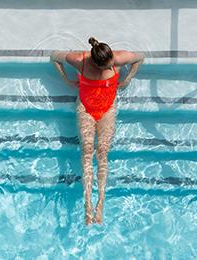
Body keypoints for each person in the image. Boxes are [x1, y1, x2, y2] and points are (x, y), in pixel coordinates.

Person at [50, 37, 145, 225]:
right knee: (86, 151)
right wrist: (67, 80)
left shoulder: (118, 58)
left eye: (112, 65)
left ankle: (100, 201)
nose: (111, 69)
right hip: (86, 108)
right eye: (107, 67)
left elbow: (140, 58)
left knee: (102, 152)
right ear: (95, 62)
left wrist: (127, 79)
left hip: (107, 108)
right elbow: (54, 57)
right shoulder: (81, 61)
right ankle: (87, 204)